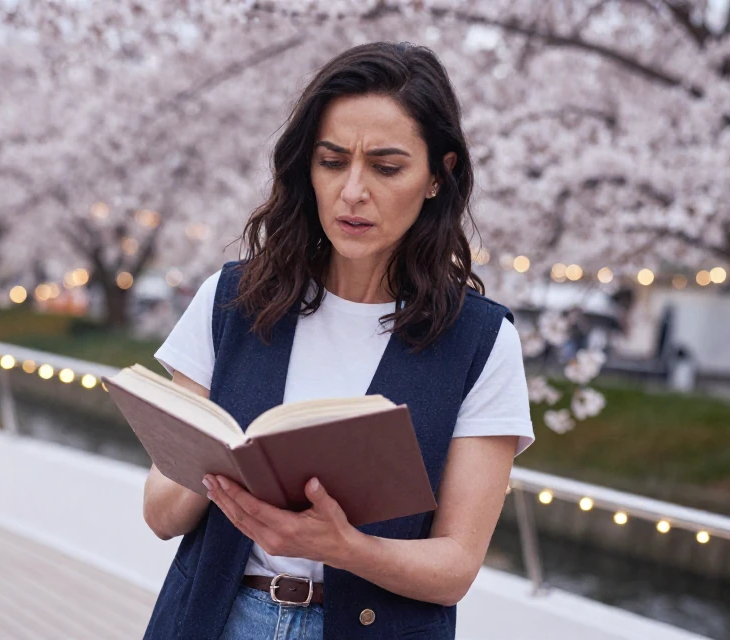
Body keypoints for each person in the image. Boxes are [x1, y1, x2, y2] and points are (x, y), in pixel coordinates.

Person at [142, 41, 534, 640]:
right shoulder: (231, 302)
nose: (353, 191)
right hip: (215, 622)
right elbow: (161, 514)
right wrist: (215, 469)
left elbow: (455, 566)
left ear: (438, 175)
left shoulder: (480, 342)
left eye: (386, 167)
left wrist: (344, 548)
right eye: (331, 161)